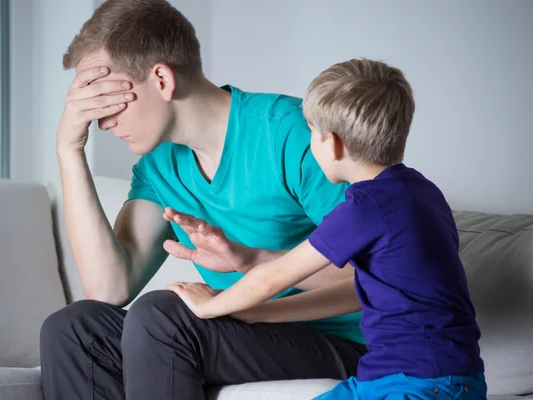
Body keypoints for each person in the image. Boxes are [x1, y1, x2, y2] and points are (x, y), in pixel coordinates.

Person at [39, 1, 368, 399]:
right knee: (74, 328)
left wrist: (253, 259)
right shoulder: (159, 165)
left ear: (161, 79)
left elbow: (375, 274)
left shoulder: (292, 135)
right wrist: (68, 150)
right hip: (246, 331)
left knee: (161, 316)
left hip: (343, 342)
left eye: (106, 99)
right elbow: (109, 290)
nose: (102, 122)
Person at [166, 59, 487, 399]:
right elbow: (363, 289)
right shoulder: (422, 192)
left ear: (331, 143)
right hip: (401, 377)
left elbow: (274, 276)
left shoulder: (364, 208)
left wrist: (208, 308)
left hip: (425, 381)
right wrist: (254, 313)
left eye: (311, 132)